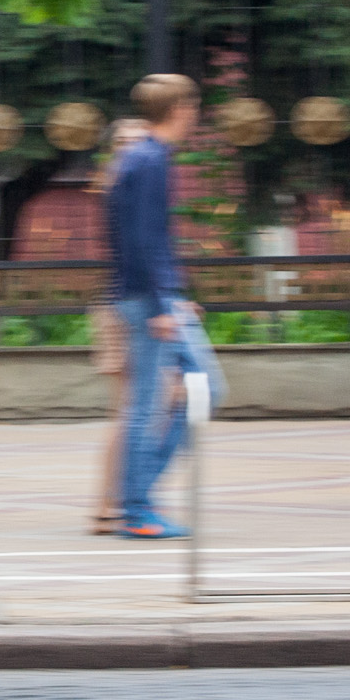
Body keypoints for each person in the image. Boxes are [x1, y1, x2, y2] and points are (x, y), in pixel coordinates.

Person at [106, 75, 225, 539]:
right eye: (192, 106)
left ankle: (137, 498)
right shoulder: (150, 158)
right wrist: (161, 304)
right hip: (149, 301)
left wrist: (172, 295)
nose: (195, 114)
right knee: (157, 401)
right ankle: (137, 507)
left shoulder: (139, 157)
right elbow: (142, 239)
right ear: (178, 109)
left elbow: (141, 237)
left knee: (201, 389)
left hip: (150, 296)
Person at [86, 117, 150, 535]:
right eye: (124, 141)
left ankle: (118, 500)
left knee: (140, 408)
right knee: (129, 411)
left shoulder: (124, 187)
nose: (132, 148)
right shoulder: (119, 188)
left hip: (127, 305)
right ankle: (109, 504)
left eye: (139, 141)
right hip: (123, 309)